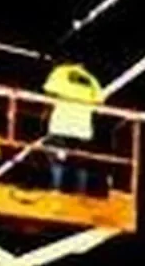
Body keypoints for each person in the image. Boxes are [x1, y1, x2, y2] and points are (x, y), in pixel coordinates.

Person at [42, 62, 104, 194]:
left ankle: (55, 191)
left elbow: (48, 93)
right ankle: (80, 194)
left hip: (61, 127)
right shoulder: (91, 79)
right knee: (80, 163)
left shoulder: (60, 72)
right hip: (82, 130)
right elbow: (99, 104)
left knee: (58, 160)